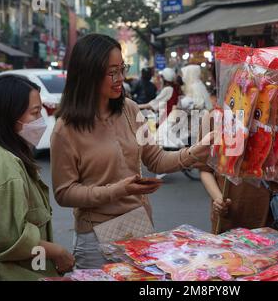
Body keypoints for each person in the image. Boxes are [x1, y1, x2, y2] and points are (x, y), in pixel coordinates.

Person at [50, 34, 213, 269]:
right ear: (88, 74)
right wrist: (119, 190)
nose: (120, 79)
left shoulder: (129, 109)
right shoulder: (65, 129)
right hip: (95, 238)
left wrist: (196, 151)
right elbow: (64, 193)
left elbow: (155, 159)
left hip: (138, 227)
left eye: (121, 69)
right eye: (111, 72)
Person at [0, 75, 75, 280]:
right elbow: (3, 238)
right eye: (35, 113)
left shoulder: (11, 158)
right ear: (8, 116)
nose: (41, 120)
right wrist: (57, 252)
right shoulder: (2, 163)